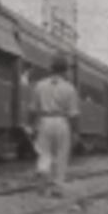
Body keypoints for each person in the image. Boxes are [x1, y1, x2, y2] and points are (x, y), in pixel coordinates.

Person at [29, 53, 80, 197]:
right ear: (65, 70)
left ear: (51, 69)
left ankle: (42, 177)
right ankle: (57, 188)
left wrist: (31, 124)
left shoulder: (40, 85)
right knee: (61, 155)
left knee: (44, 153)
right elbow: (74, 114)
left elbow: (32, 109)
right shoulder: (70, 88)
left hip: (44, 121)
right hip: (62, 122)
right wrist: (75, 131)